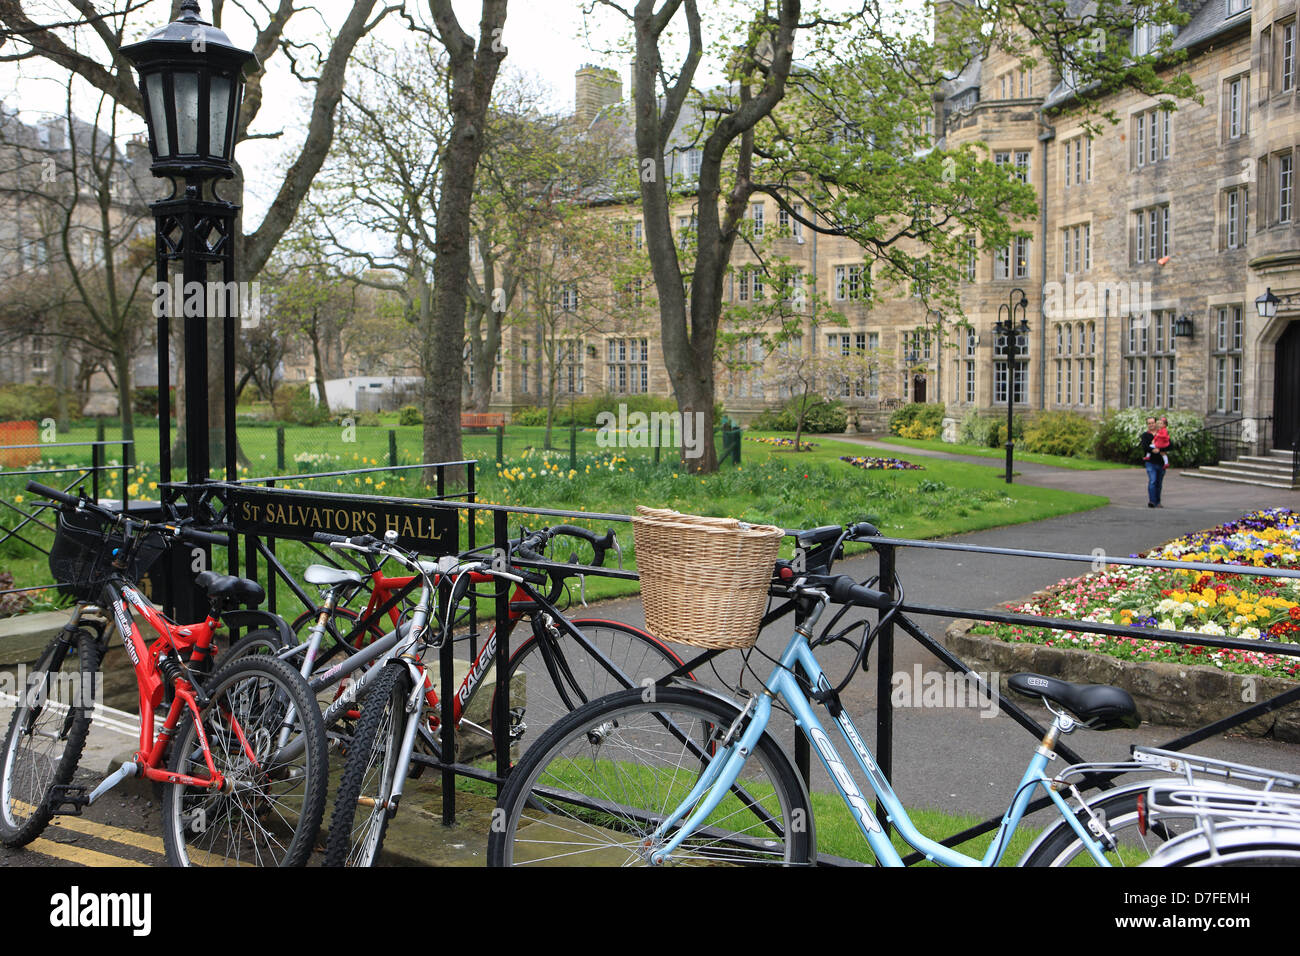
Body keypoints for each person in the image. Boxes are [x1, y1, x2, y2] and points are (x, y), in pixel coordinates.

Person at [1139, 416, 1166, 507]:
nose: (1151, 425)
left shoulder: (1162, 433)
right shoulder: (1145, 435)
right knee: (1153, 481)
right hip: (1150, 462)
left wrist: (1161, 449)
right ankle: (1152, 501)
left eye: (1152, 423)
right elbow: (1144, 446)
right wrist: (1152, 451)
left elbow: (1169, 445)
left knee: (1159, 483)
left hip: (1161, 461)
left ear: (1156, 423)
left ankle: (1158, 502)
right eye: (1149, 423)